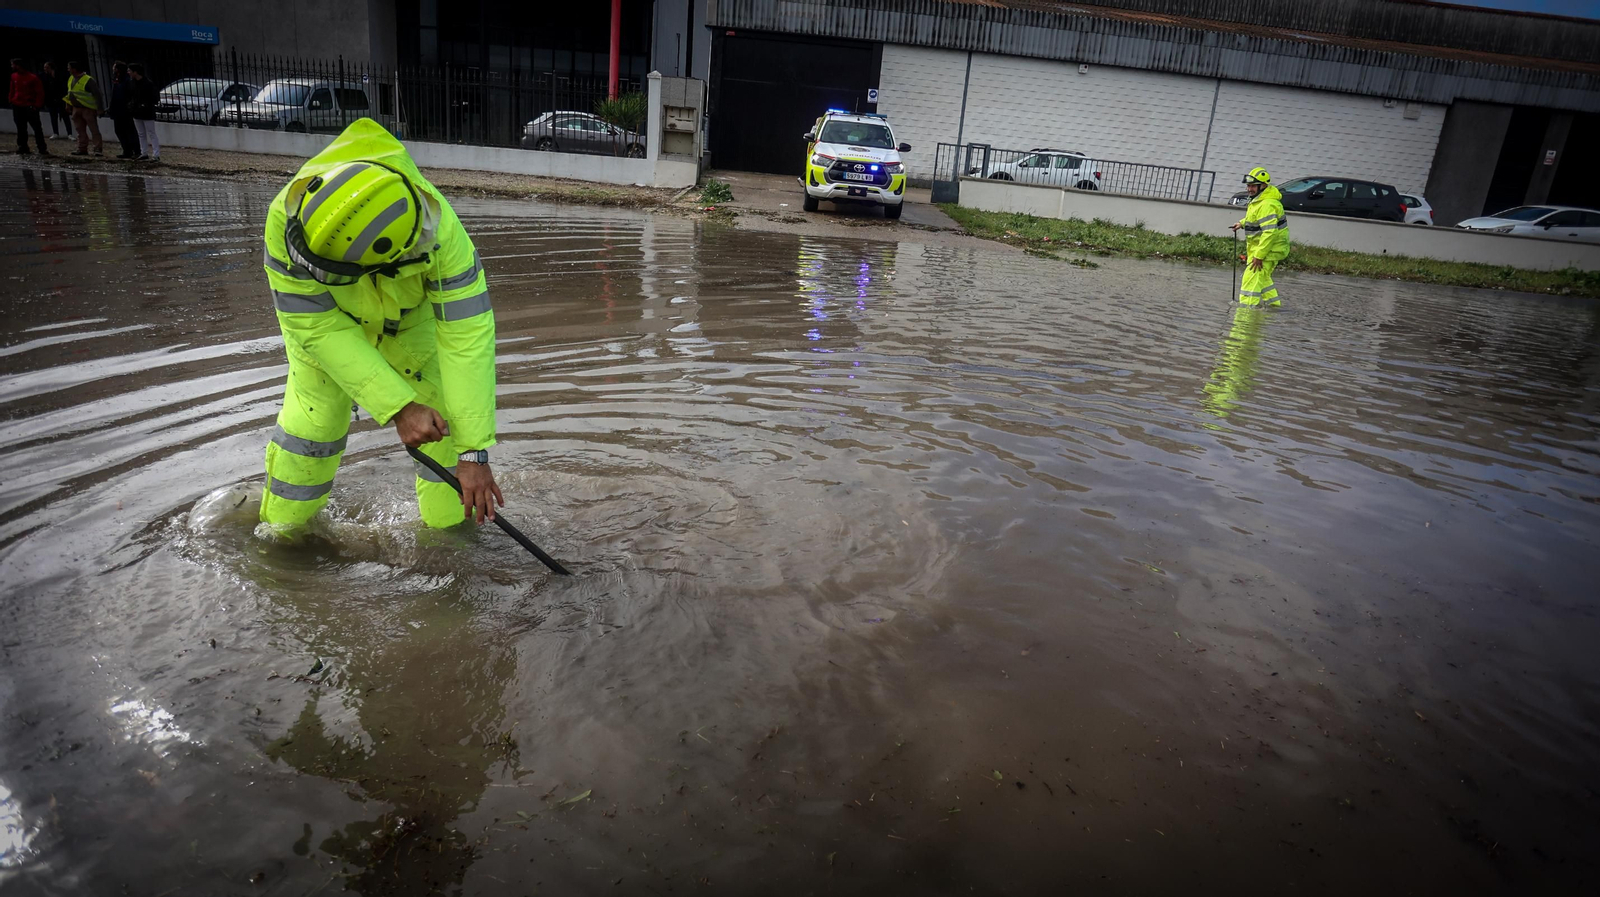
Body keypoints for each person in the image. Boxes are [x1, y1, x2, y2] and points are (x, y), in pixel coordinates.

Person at [259, 118, 502, 532]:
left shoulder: (445, 241)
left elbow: (467, 341)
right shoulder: (288, 222)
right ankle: (281, 541)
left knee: (443, 428)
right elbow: (318, 329)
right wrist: (399, 406)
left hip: (412, 326)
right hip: (323, 332)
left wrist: (474, 453)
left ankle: (450, 544)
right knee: (309, 436)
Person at [1229, 166, 1290, 307]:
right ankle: (1274, 308)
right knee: (1263, 280)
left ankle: (1245, 314)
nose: (1249, 189)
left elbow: (1270, 232)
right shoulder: (1259, 200)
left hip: (1268, 251)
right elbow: (1256, 219)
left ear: (1263, 185)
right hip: (1265, 250)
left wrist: (1259, 256)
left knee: (1250, 282)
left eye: (1253, 186)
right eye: (1248, 186)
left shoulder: (1267, 204)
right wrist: (1241, 223)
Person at [62, 60, 104, 156]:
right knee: (80, 130)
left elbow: (98, 95)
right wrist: (68, 104)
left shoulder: (88, 80)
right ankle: (82, 148)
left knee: (94, 129)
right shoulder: (71, 78)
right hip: (76, 108)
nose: (68, 69)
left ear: (74, 69)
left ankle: (97, 149)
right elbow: (70, 92)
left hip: (88, 108)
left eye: (69, 67)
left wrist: (99, 108)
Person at [9, 59, 48, 156]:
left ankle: (41, 148)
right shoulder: (14, 76)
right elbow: (12, 89)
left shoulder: (32, 78)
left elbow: (39, 92)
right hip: (18, 105)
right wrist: (11, 99)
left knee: (37, 128)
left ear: (18, 65)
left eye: (13, 65)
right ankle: (23, 146)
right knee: (21, 128)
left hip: (29, 106)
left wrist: (37, 105)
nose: (12, 67)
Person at [127, 63, 159, 162]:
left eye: (130, 71)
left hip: (147, 112)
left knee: (151, 133)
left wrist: (145, 104)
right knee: (141, 133)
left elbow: (154, 98)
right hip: (137, 112)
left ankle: (156, 154)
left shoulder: (148, 83)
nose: (128, 73)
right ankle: (144, 152)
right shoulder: (132, 83)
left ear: (135, 72)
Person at [108, 61, 139, 160]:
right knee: (119, 131)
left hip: (125, 110)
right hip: (117, 110)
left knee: (129, 131)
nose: (113, 70)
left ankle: (136, 151)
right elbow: (114, 96)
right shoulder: (117, 80)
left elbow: (129, 95)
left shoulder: (127, 80)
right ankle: (127, 150)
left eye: (114, 68)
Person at [41, 61, 71, 139]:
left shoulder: (59, 75)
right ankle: (55, 133)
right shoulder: (45, 77)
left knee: (65, 116)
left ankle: (69, 133)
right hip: (51, 100)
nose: (45, 69)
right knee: (53, 117)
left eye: (46, 67)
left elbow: (63, 86)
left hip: (60, 99)